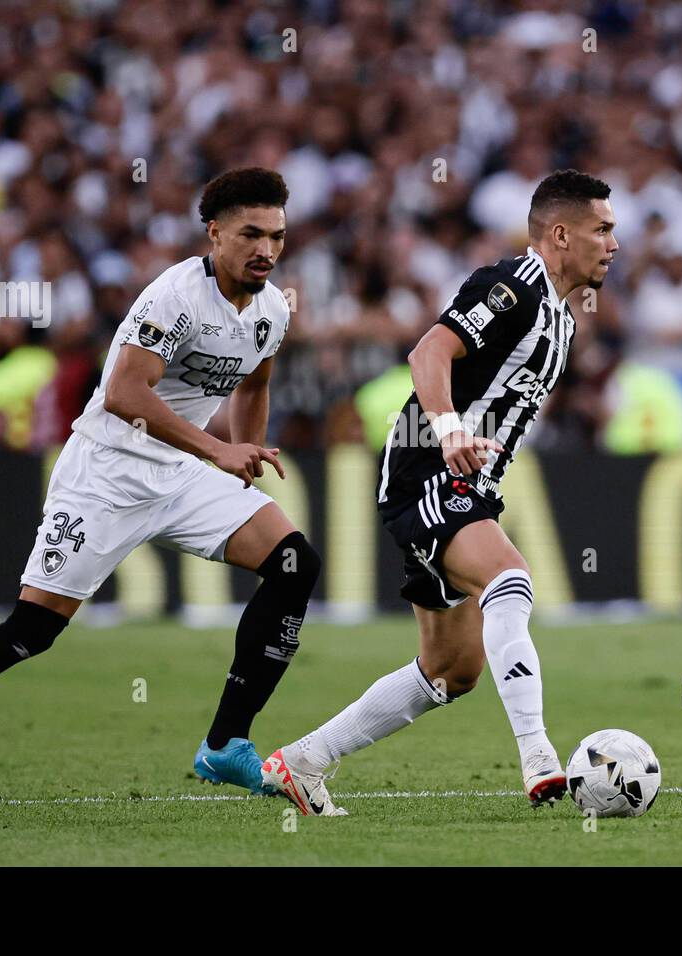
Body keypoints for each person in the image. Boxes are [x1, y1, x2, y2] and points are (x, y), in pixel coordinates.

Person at [0, 168, 318, 804]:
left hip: (183, 471)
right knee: (28, 632)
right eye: (251, 234)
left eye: (278, 237)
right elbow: (125, 392)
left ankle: (225, 745)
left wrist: (248, 451)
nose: (266, 250)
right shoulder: (174, 297)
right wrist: (216, 447)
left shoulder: (270, 311)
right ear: (215, 233)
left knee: (294, 563)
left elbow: (255, 383)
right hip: (108, 470)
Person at [261, 169, 619, 815]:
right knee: (510, 578)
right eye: (603, 228)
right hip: (428, 469)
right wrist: (451, 430)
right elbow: (429, 351)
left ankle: (303, 762)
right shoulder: (514, 284)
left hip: (468, 481)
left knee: (452, 671)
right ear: (561, 234)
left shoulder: (563, 321)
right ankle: (537, 754)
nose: (613, 243)